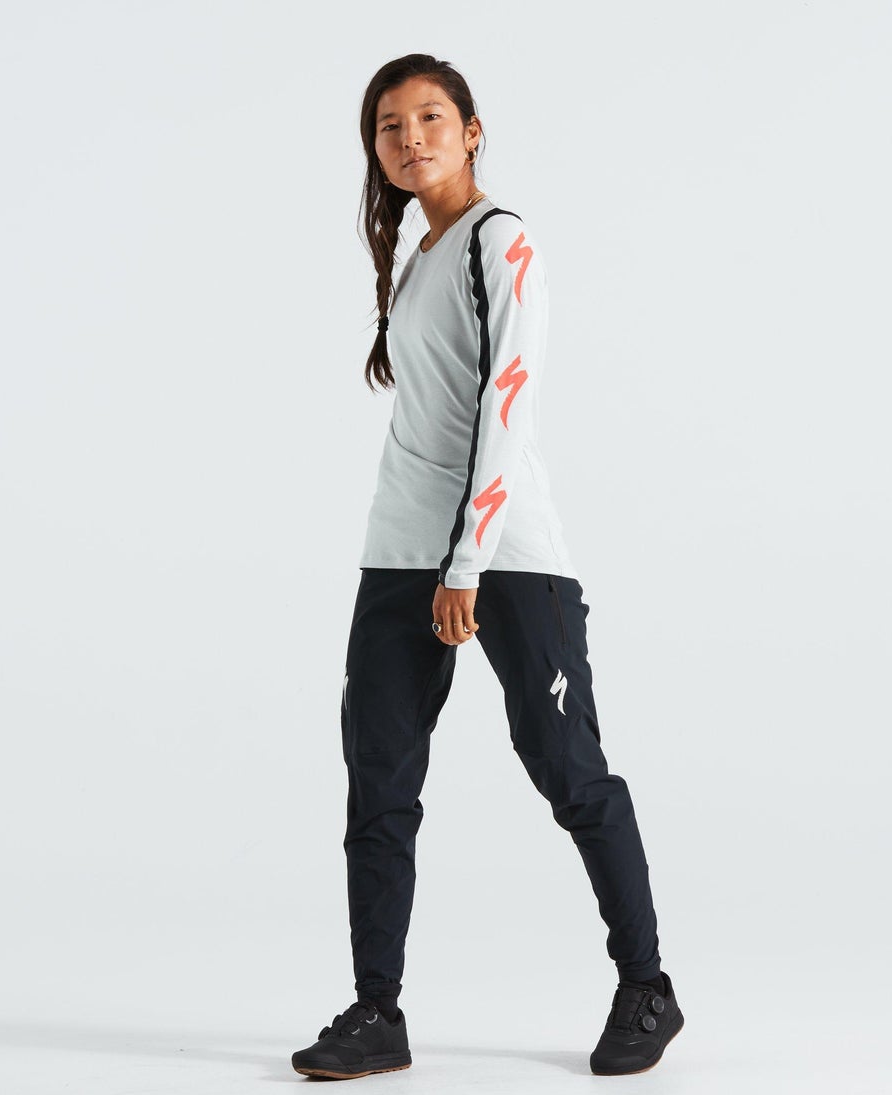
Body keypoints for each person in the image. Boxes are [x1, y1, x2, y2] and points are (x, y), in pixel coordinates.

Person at [290, 55, 684, 1081]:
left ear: (472, 131)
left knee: (568, 769)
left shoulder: (498, 240)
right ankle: (376, 1010)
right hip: (398, 554)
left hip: (504, 557)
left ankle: (646, 986)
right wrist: (414, 556)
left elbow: (508, 408)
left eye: (430, 117)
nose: (409, 137)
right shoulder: (417, 258)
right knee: (378, 781)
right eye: (389, 126)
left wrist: (465, 561)